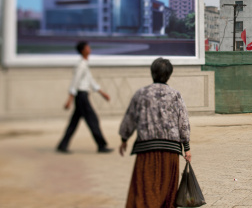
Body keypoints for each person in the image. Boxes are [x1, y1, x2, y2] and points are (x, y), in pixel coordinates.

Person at [119, 57, 191, 208]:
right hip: (170, 152)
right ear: (169, 74)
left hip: (146, 150)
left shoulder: (141, 94)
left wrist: (124, 138)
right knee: (168, 194)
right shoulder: (176, 95)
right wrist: (187, 148)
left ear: (152, 73)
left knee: (144, 192)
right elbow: (183, 123)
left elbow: (130, 118)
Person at [56, 41, 112, 153]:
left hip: (82, 96)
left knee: (74, 122)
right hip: (81, 96)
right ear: (83, 51)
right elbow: (75, 82)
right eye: (87, 47)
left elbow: (90, 81)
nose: (89, 49)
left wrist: (102, 93)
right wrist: (69, 99)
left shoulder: (84, 64)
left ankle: (63, 145)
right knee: (93, 120)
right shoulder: (81, 65)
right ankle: (101, 145)